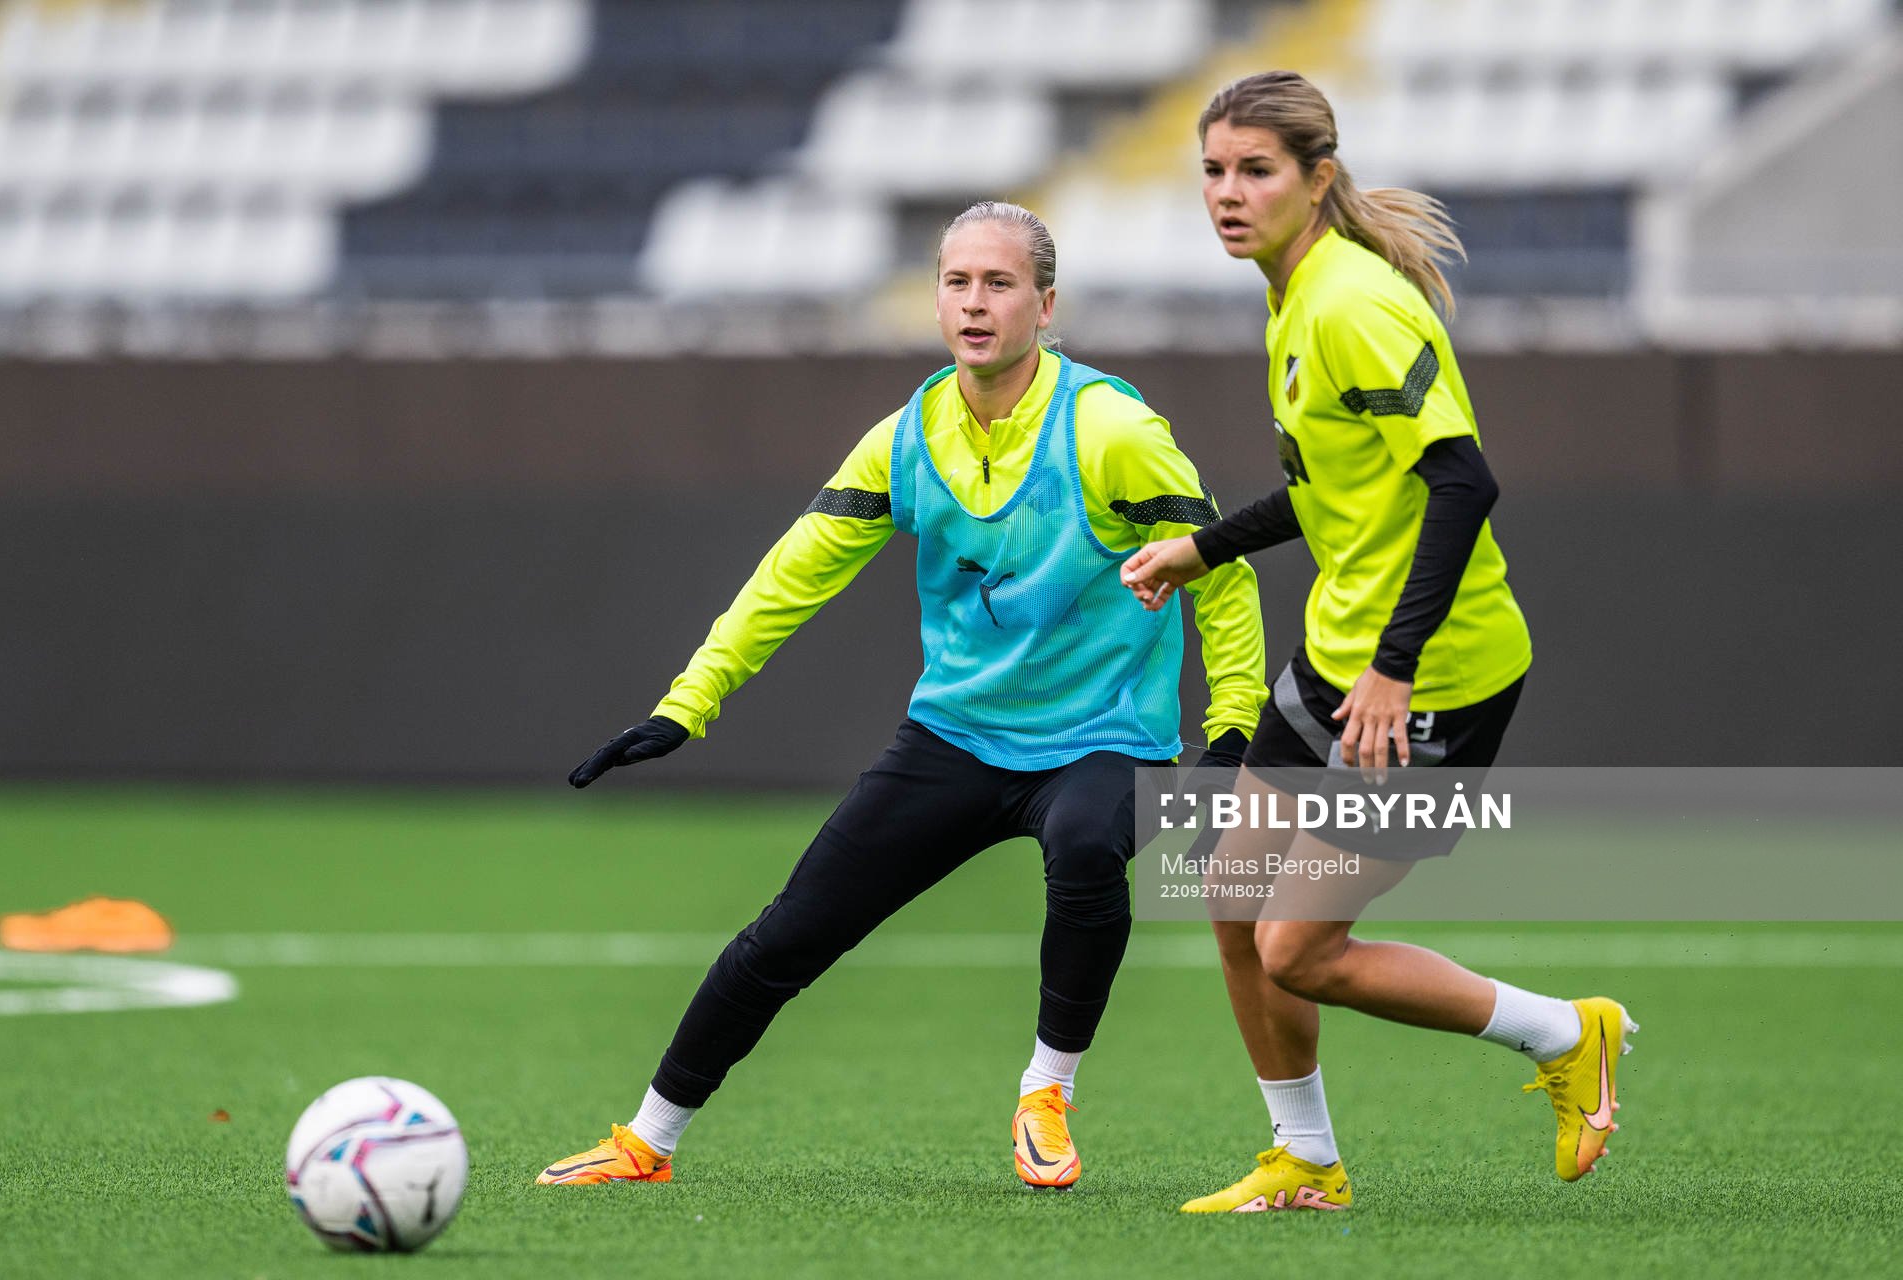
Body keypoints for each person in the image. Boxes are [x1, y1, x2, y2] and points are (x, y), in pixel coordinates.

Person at [538, 201, 1268, 1190]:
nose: (975, 301)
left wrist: (1228, 735)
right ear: (935, 300)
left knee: (1089, 842)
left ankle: (1046, 1092)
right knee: (792, 929)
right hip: (957, 734)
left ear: (1045, 305)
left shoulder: (1109, 429)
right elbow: (794, 570)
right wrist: (687, 701)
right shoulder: (907, 438)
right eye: (957, 281)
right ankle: (646, 1139)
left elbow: (1222, 573)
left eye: (999, 282)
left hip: (1106, 740)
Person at [1121, 72, 1634, 1213]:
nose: (1228, 192)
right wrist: (1203, 550)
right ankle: (1303, 1158)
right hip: (1344, 656)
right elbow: (1334, 486)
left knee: (1299, 946)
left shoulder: (1350, 302)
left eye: (1256, 170)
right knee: (1226, 885)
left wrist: (1397, 669)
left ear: (1319, 178)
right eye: (1213, 169)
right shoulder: (1292, 293)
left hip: (1432, 677)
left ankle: (1568, 1034)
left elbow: (1463, 482)